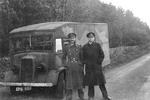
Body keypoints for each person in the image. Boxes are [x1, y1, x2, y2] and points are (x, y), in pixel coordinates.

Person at [81, 32, 111, 100]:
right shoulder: (85, 47)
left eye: (92, 37)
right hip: (89, 68)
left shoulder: (97, 45)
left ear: (94, 38)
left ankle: (105, 96)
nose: (91, 38)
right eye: (89, 37)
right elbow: (82, 57)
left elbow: (102, 55)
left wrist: (98, 62)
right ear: (88, 38)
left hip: (97, 67)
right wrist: (86, 62)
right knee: (90, 83)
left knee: (101, 83)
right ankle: (91, 97)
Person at [63, 33, 84, 100]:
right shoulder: (66, 47)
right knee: (69, 85)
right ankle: (69, 98)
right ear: (69, 39)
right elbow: (63, 57)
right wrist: (66, 64)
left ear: (75, 38)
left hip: (78, 67)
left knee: (79, 84)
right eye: (71, 38)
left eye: (73, 38)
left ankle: (81, 97)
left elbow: (82, 57)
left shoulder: (79, 46)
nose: (72, 39)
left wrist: (80, 64)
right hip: (70, 68)